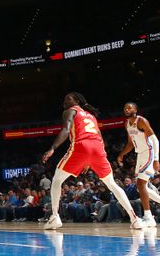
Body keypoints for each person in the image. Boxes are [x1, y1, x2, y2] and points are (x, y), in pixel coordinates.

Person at [41, 92, 144, 230]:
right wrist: (90, 160)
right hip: (98, 149)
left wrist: (53, 147)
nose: (64, 101)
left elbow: (66, 129)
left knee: (57, 180)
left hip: (81, 146)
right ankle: (135, 219)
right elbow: (100, 137)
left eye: (68, 99)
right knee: (112, 184)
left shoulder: (70, 111)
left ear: (76, 101)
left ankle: (54, 216)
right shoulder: (91, 116)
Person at [116, 102, 160, 227]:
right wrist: (121, 154)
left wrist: (156, 159)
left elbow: (155, 139)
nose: (126, 109)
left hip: (149, 152)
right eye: (125, 108)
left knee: (141, 184)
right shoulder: (127, 124)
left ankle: (148, 217)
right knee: (141, 188)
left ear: (135, 109)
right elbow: (130, 143)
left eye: (129, 107)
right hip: (140, 154)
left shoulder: (141, 121)